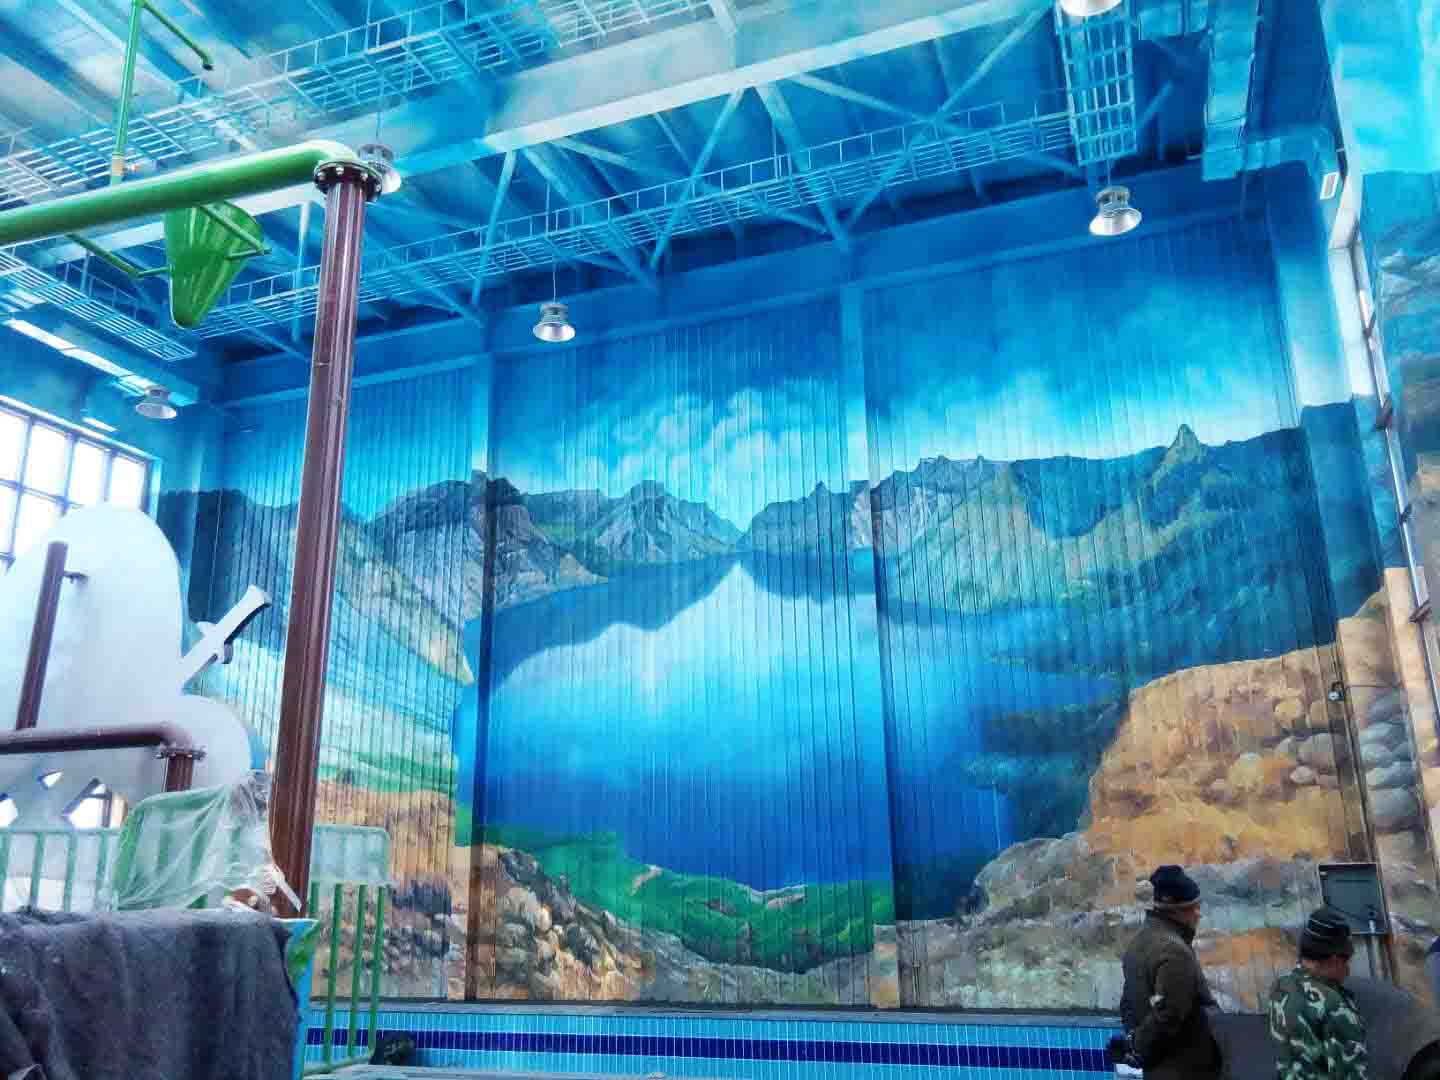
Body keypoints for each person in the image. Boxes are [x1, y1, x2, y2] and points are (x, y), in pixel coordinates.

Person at [1119, 864, 1222, 1079]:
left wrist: (1134, 1044)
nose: (1198, 915)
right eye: (1194, 908)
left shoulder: (1137, 944)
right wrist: (1137, 1046)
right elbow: (1168, 1015)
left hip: (1157, 1070)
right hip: (1185, 1070)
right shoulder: (1174, 952)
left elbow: (1127, 1005)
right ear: (1177, 911)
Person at [1269, 907, 1368, 1079]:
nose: (1348, 970)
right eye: (1347, 961)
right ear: (1334, 959)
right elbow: (1351, 1073)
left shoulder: (1280, 986)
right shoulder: (1334, 1006)